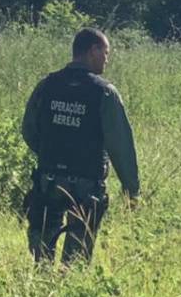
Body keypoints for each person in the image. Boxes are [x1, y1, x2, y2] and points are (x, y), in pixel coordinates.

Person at [21, 27, 139, 265]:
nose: (107, 60)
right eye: (105, 53)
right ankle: (69, 293)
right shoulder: (104, 92)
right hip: (87, 186)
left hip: (48, 180)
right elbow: (120, 145)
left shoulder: (47, 86)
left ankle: (40, 290)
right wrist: (131, 188)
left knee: (42, 252)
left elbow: (29, 130)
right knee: (75, 260)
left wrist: (50, 152)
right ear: (93, 51)